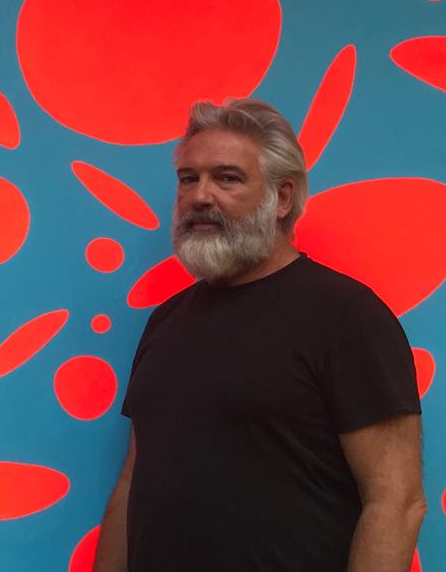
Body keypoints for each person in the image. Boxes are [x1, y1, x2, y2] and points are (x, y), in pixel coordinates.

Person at [92, 98, 425, 572]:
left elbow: (397, 502)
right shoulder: (166, 320)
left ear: (282, 198)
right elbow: (133, 482)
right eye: (188, 178)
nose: (200, 196)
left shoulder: (346, 316)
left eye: (227, 178)